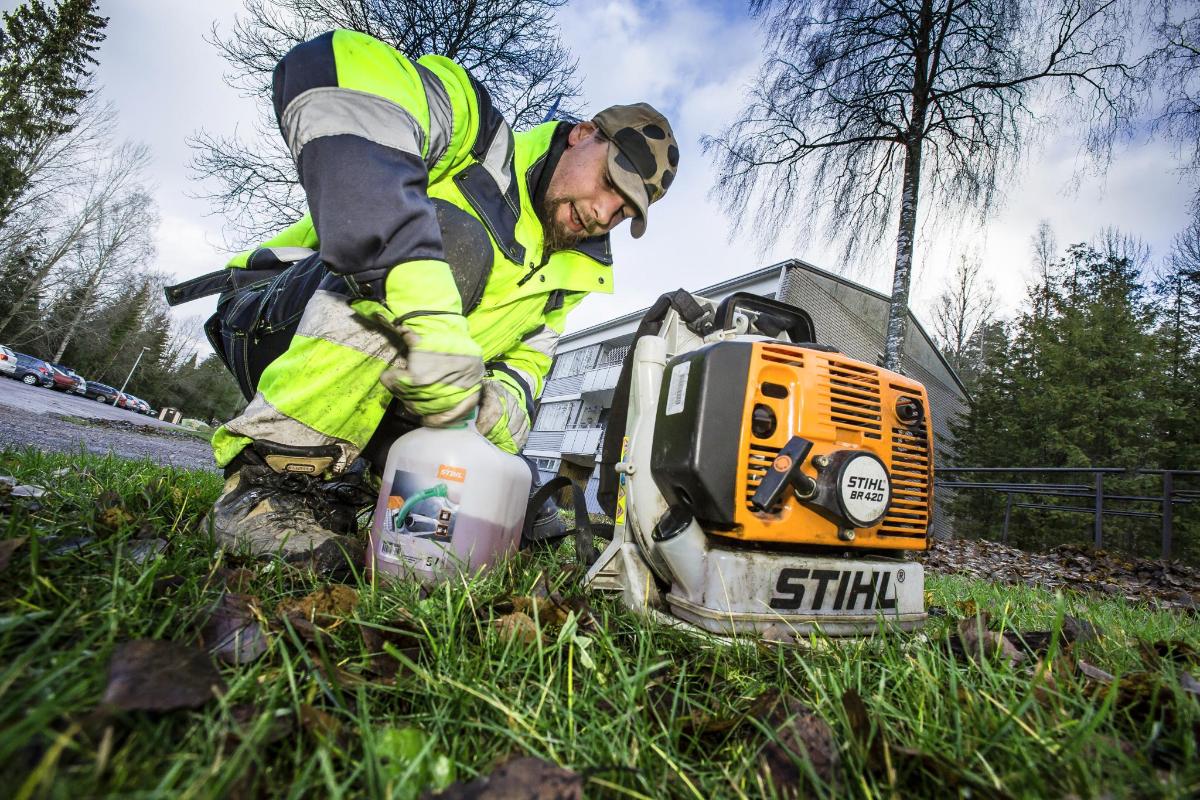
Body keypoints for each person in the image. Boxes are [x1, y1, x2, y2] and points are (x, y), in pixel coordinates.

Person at [169, 29, 679, 571]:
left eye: (624, 211)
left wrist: (482, 406)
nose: (603, 214)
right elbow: (333, 71)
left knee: (521, 505)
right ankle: (270, 488)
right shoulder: (476, 134)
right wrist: (427, 310)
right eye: (608, 182)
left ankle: (340, 496)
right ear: (582, 134)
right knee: (453, 242)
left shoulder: (575, 275)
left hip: (387, 374)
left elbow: (528, 372)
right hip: (271, 315)